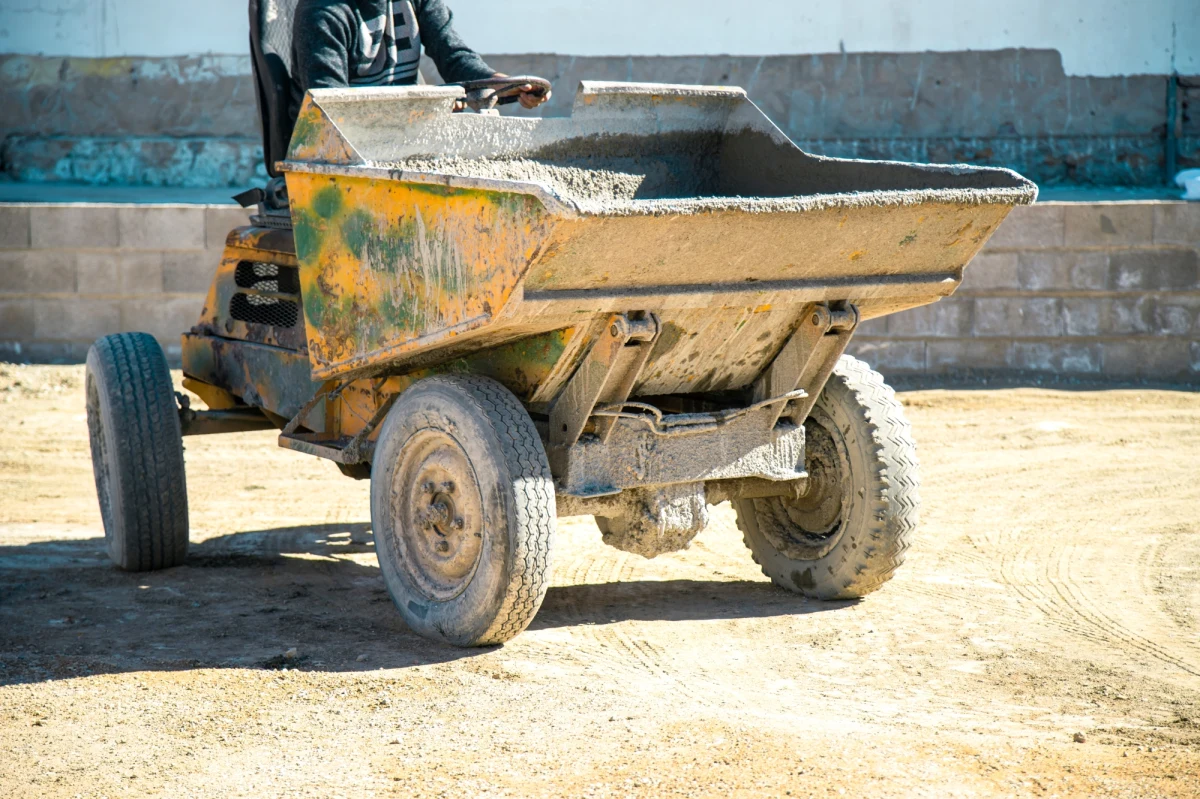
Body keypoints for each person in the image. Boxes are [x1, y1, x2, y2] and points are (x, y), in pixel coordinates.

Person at [289, 0, 549, 125]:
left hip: (408, 135)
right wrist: (423, 109)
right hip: (340, 153)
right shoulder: (322, 14)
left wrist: (499, 83)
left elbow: (455, 56)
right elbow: (330, 112)